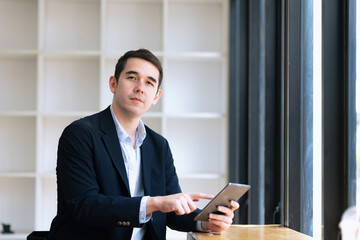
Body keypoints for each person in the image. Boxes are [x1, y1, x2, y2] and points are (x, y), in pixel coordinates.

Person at [48, 49, 239, 240]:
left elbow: (170, 211)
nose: (140, 87)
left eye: (149, 82)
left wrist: (206, 221)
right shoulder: (80, 134)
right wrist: (154, 203)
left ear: (156, 96)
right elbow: (85, 205)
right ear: (113, 83)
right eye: (132, 77)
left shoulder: (159, 145)